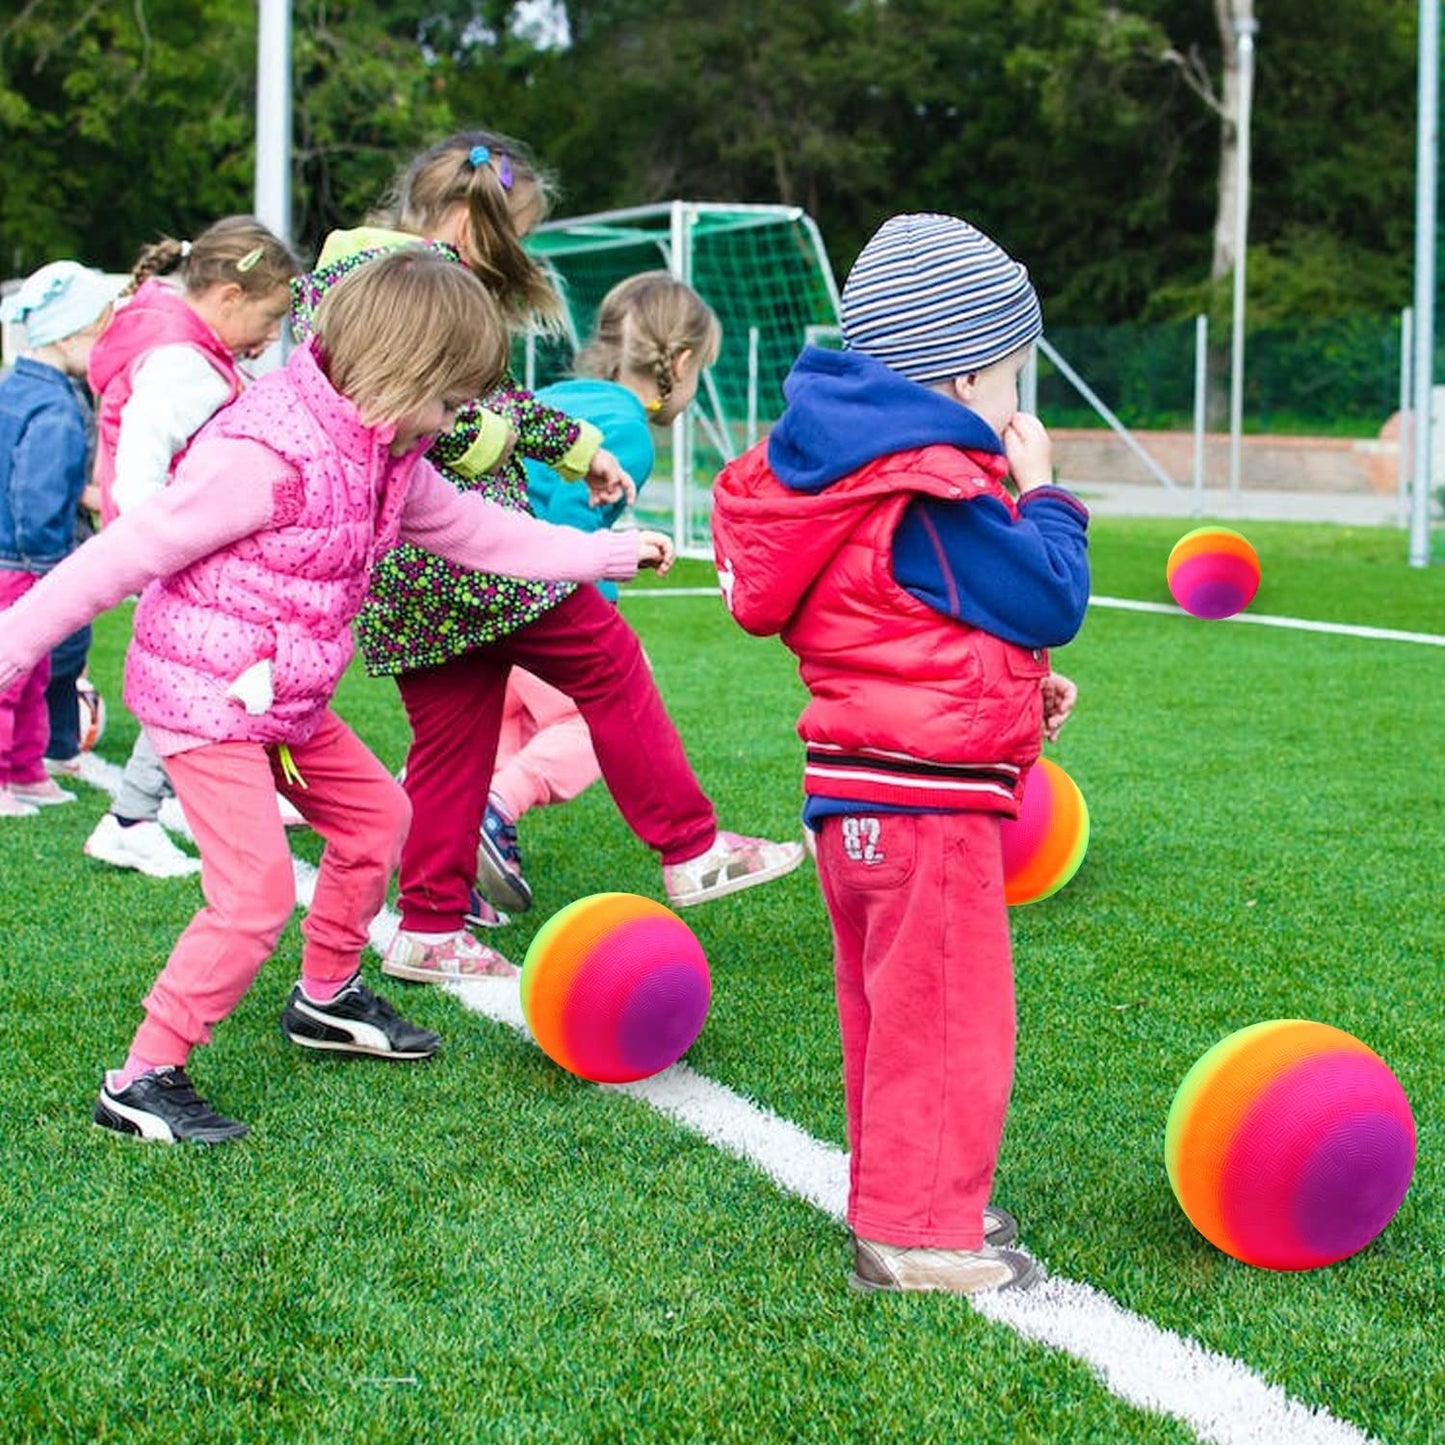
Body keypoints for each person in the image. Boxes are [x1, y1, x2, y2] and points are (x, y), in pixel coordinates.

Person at [0, 247, 675, 1144]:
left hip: (283, 696)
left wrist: (607, 552)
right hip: (204, 699)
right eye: (447, 400)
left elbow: (477, 533)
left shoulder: (391, 451)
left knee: (376, 821)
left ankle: (324, 995)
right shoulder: (262, 454)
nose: (455, 421)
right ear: (400, 375)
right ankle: (142, 1076)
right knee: (252, 896)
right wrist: (11, 648)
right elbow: (122, 556)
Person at [291, 129, 803, 983]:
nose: (513, 255)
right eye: (511, 235)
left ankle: (427, 925)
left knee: (454, 741)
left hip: (405, 575)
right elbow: (438, 418)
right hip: (467, 553)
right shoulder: (404, 282)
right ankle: (691, 845)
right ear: (465, 218)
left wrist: (578, 450)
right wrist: (516, 457)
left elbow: (492, 399)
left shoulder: (353, 272)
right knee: (608, 662)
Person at [711, 213, 1091, 1295]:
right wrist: (1045, 492)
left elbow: (904, 624)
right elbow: (1047, 592)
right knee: (944, 1017)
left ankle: (908, 1192)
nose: (1017, 402)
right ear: (965, 372)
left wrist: (1016, 691)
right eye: (1013, 375)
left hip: (859, 793)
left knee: (890, 1013)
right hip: (921, 809)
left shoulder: (849, 474)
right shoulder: (929, 484)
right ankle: (916, 1231)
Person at [479, 271, 722, 921]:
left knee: (498, 727)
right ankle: (495, 807)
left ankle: (450, 849)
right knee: (600, 715)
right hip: (527, 599)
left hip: (471, 593)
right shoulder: (629, 432)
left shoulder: (561, 395)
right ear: (680, 362)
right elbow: (562, 530)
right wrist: (615, 560)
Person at [83, 216, 301, 879]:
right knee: (201, 681)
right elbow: (142, 470)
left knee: (220, 675)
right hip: (180, 554)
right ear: (229, 298)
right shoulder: (183, 365)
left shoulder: (191, 349)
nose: (270, 342)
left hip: (183, 549)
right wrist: (165, 548)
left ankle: (155, 806)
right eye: (268, 319)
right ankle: (131, 817)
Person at [0, 261, 121, 817]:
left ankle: (25, 769)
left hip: (22, 554)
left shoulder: (18, 386)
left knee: (36, 668)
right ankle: (7, 773)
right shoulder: (53, 405)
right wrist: (47, 563)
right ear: (70, 335)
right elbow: (36, 488)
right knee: (15, 671)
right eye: (100, 333)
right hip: (26, 559)